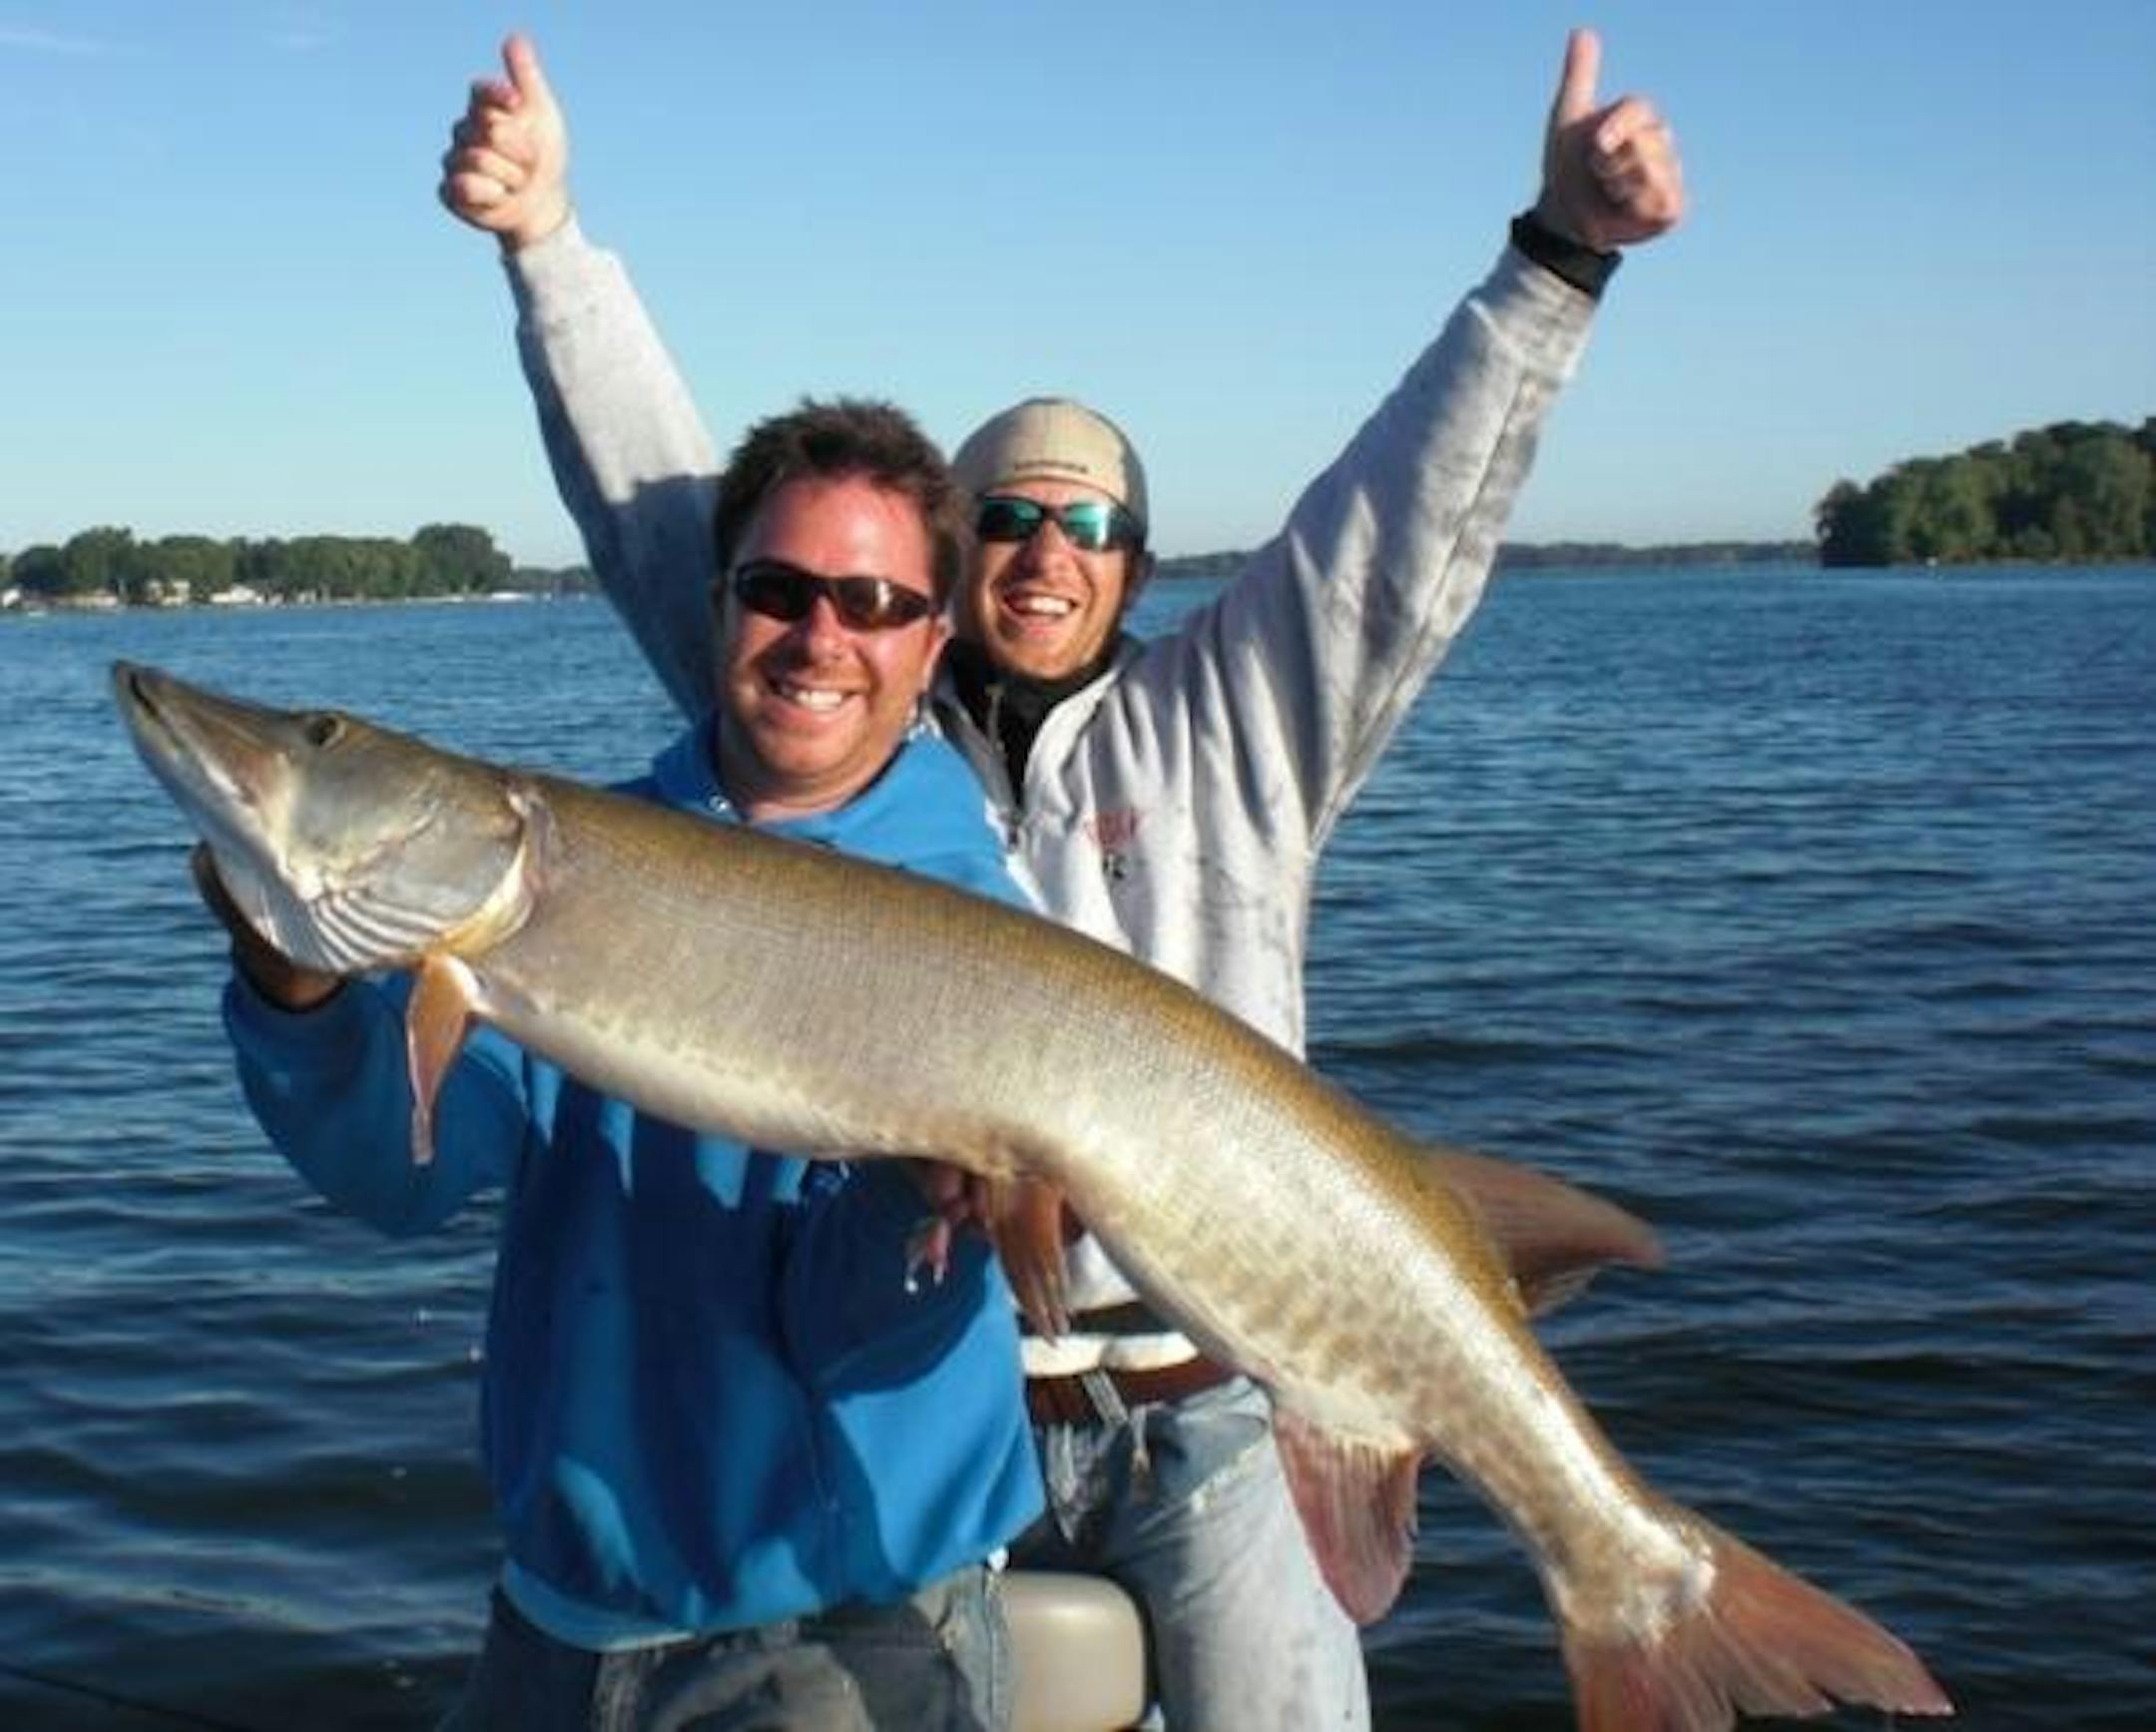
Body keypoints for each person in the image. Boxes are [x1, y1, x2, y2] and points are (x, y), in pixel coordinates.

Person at [438, 30, 1684, 1730]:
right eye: (1007, 517)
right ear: (945, 576)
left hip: (1213, 1402)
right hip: (944, 1411)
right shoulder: (853, 710)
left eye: (1089, 525)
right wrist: (551, 251)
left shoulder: (1241, 724)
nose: (1047, 548)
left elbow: (1399, 532)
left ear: (1138, 566)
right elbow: (683, 517)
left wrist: (1557, 263)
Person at [197, 398, 1043, 1731]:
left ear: (932, 640)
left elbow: (864, 1339)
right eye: (781, 589)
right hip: (560, 1617)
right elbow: (405, 1175)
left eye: (874, 601)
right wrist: (295, 988)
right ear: (720, 605)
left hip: (834, 1633)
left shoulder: (974, 928)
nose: (822, 636)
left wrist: (908, 1204)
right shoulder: (557, 872)